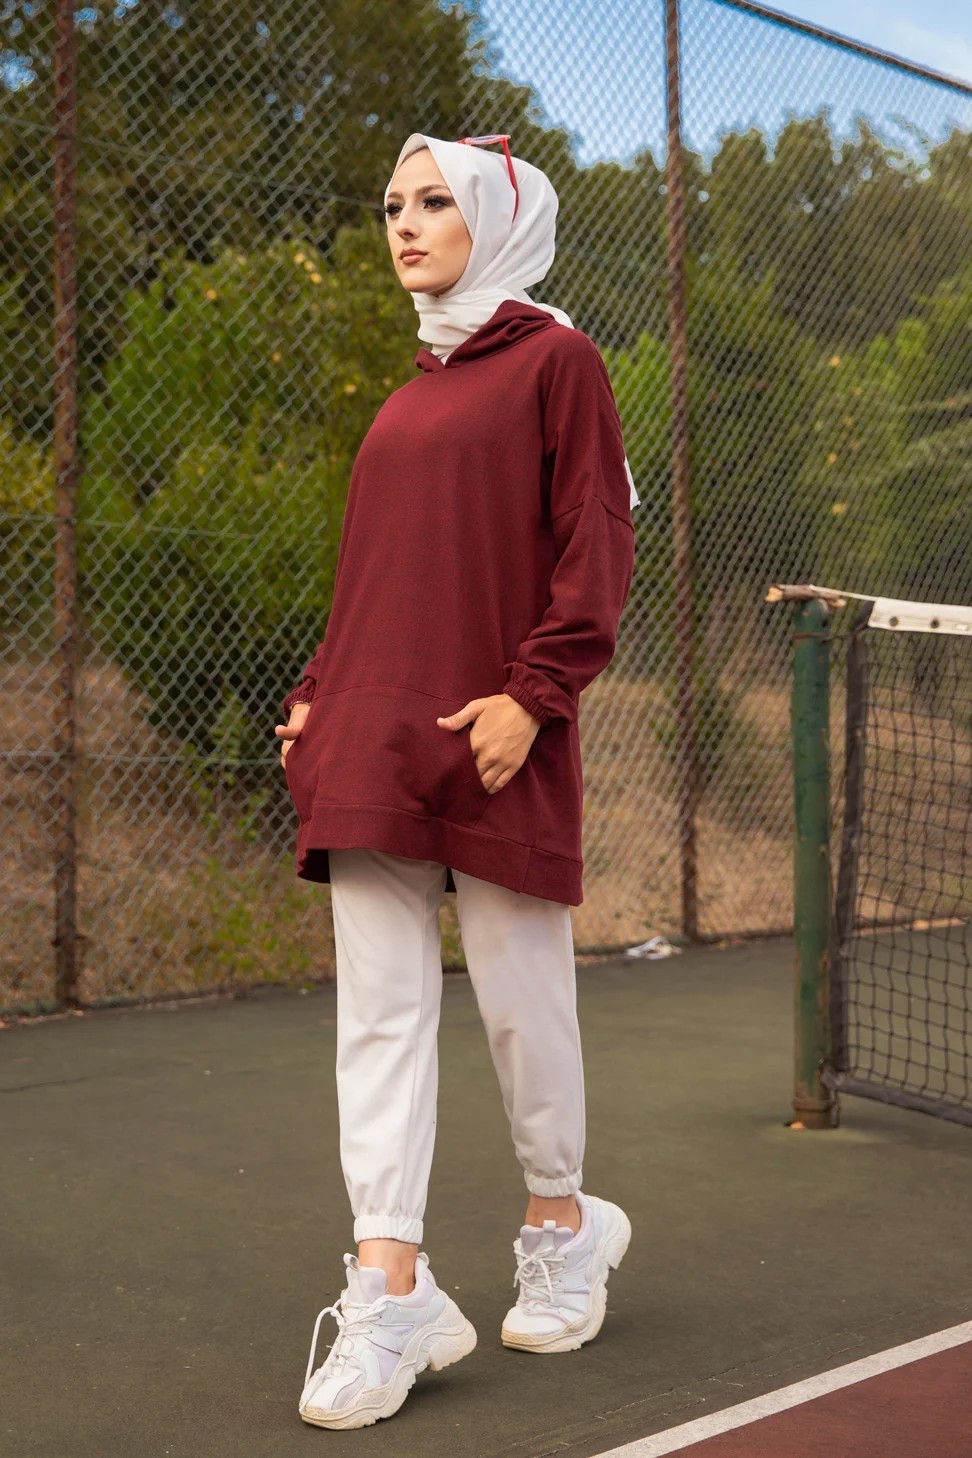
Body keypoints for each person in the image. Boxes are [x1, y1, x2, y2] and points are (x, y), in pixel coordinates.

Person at [275, 131, 637, 1432]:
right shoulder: (400, 403)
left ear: (498, 215)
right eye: (393, 205)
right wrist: (315, 690)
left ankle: (564, 1223)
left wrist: (534, 698)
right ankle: (393, 1284)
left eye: (434, 201)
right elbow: (370, 577)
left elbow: (597, 542)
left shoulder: (558, 362)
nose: (405, 224)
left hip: (497, 737)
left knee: (520, 1002)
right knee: (378, 1015)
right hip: (371, 740)